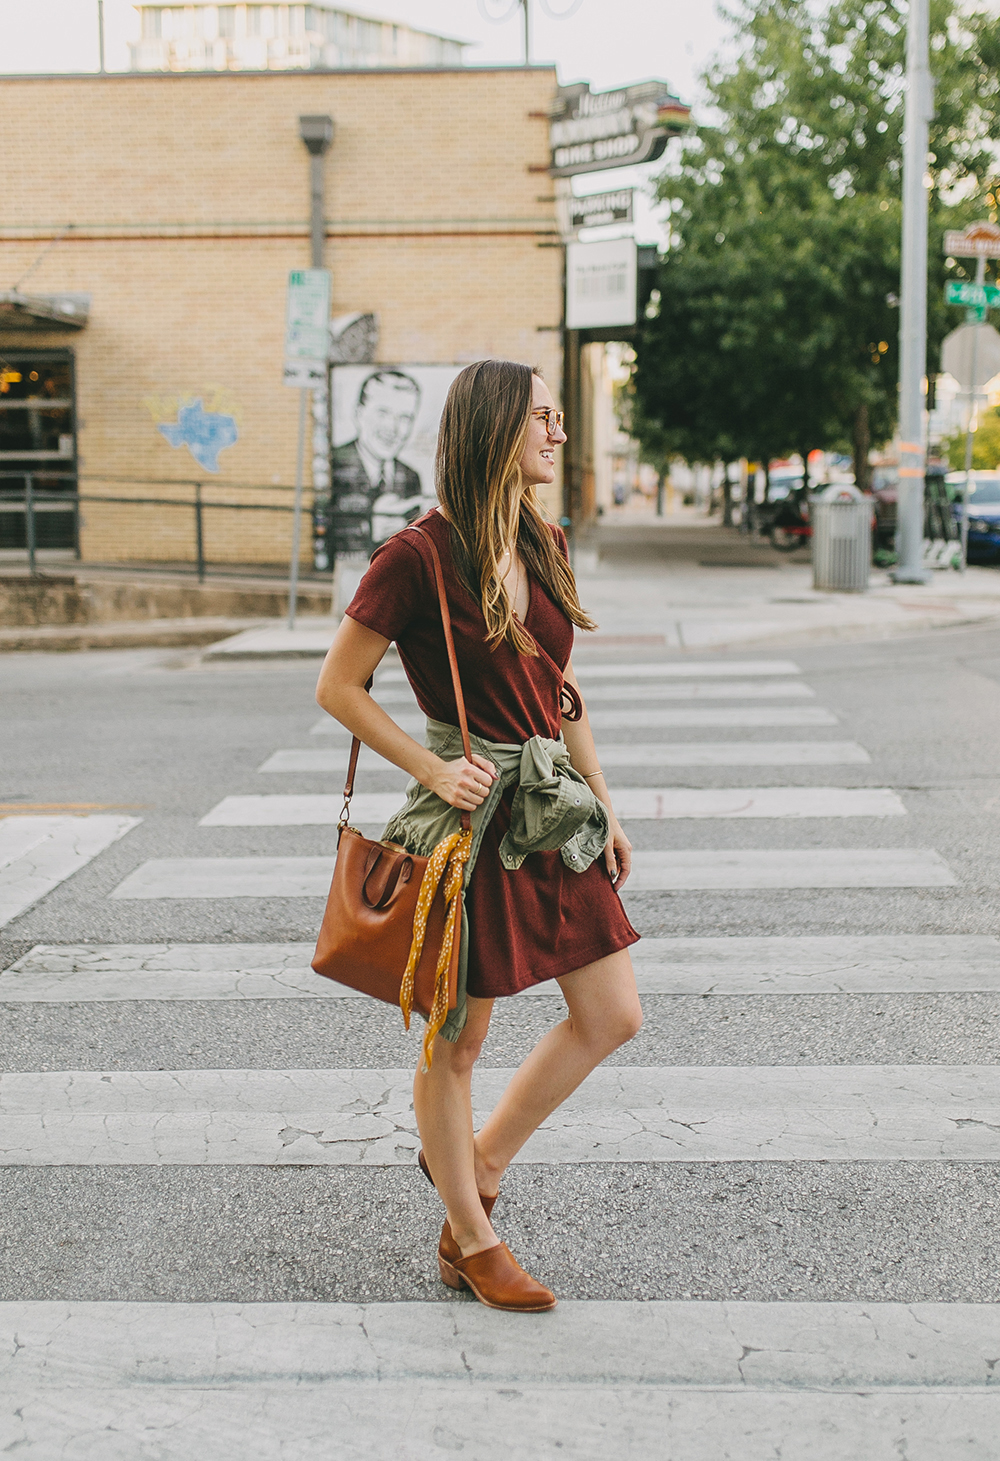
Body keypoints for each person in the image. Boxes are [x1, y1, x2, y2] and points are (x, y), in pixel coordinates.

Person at [315, 359, 642, 1313]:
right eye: (543, 416)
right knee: (458, 1040)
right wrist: (429, 768)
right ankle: (472, 1236)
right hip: (465, 819)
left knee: (611, 1011)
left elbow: (560, 688)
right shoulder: (416, 554)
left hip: (549, 809)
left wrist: (604, 801)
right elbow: (337, 686)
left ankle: (479, 1157)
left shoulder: (544, 539)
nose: (559, 431)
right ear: (498, 430)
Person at [330, 369, 424, 554]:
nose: (393, 427)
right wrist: (370, 529)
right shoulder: (335, 464)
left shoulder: (410, 476)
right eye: (383, 413)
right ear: (359, 413)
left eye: (405, 418)